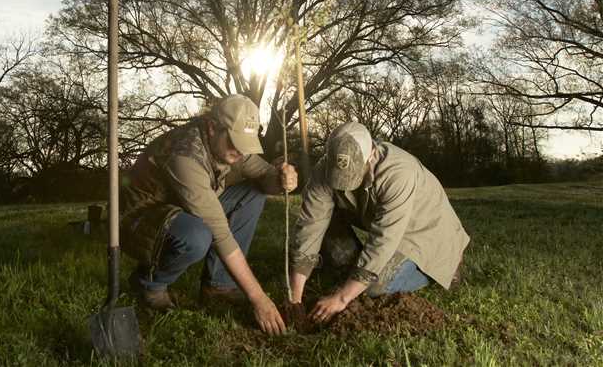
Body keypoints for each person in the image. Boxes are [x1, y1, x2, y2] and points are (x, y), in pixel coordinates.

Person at [121, 94, 297, 336]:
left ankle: (219, 286)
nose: (239, 151)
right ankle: (149, 285)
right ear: (213, 128)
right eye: (235, 142)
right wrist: (259, 299)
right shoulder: (185, 156)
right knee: (198, 236)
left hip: (181, 209)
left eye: (244, 144)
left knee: (252, 193)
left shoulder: (231, 147)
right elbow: (220, 234)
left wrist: (282, 179)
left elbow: (265, 176)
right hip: (139, 217)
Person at [290, 121, 470, 323]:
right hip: (385, 227)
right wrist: (295, 298)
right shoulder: (323, 170)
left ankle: (442, 268)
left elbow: (383, 240)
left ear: (371, 155)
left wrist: (343, 298)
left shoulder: (399, 172)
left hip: (423, 233)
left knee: (373, 288)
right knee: (329, 231)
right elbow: (310, 224)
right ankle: (351, 277)